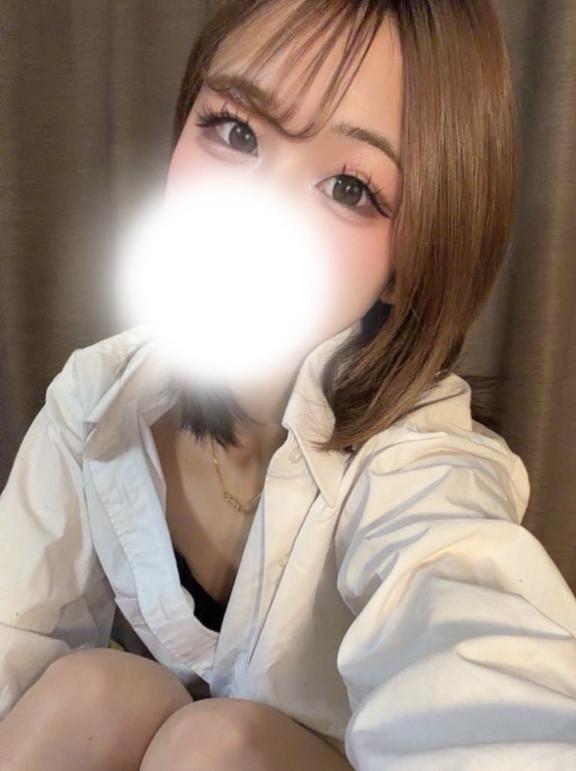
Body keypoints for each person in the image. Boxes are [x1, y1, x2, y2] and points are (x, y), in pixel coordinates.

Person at [2, 1, 576, 769]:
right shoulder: (100, 396)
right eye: (235, 130)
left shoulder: (421, 467)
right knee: (96, 692)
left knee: (218, 747)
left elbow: (483, 663)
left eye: (349, 187)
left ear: (408, 265)